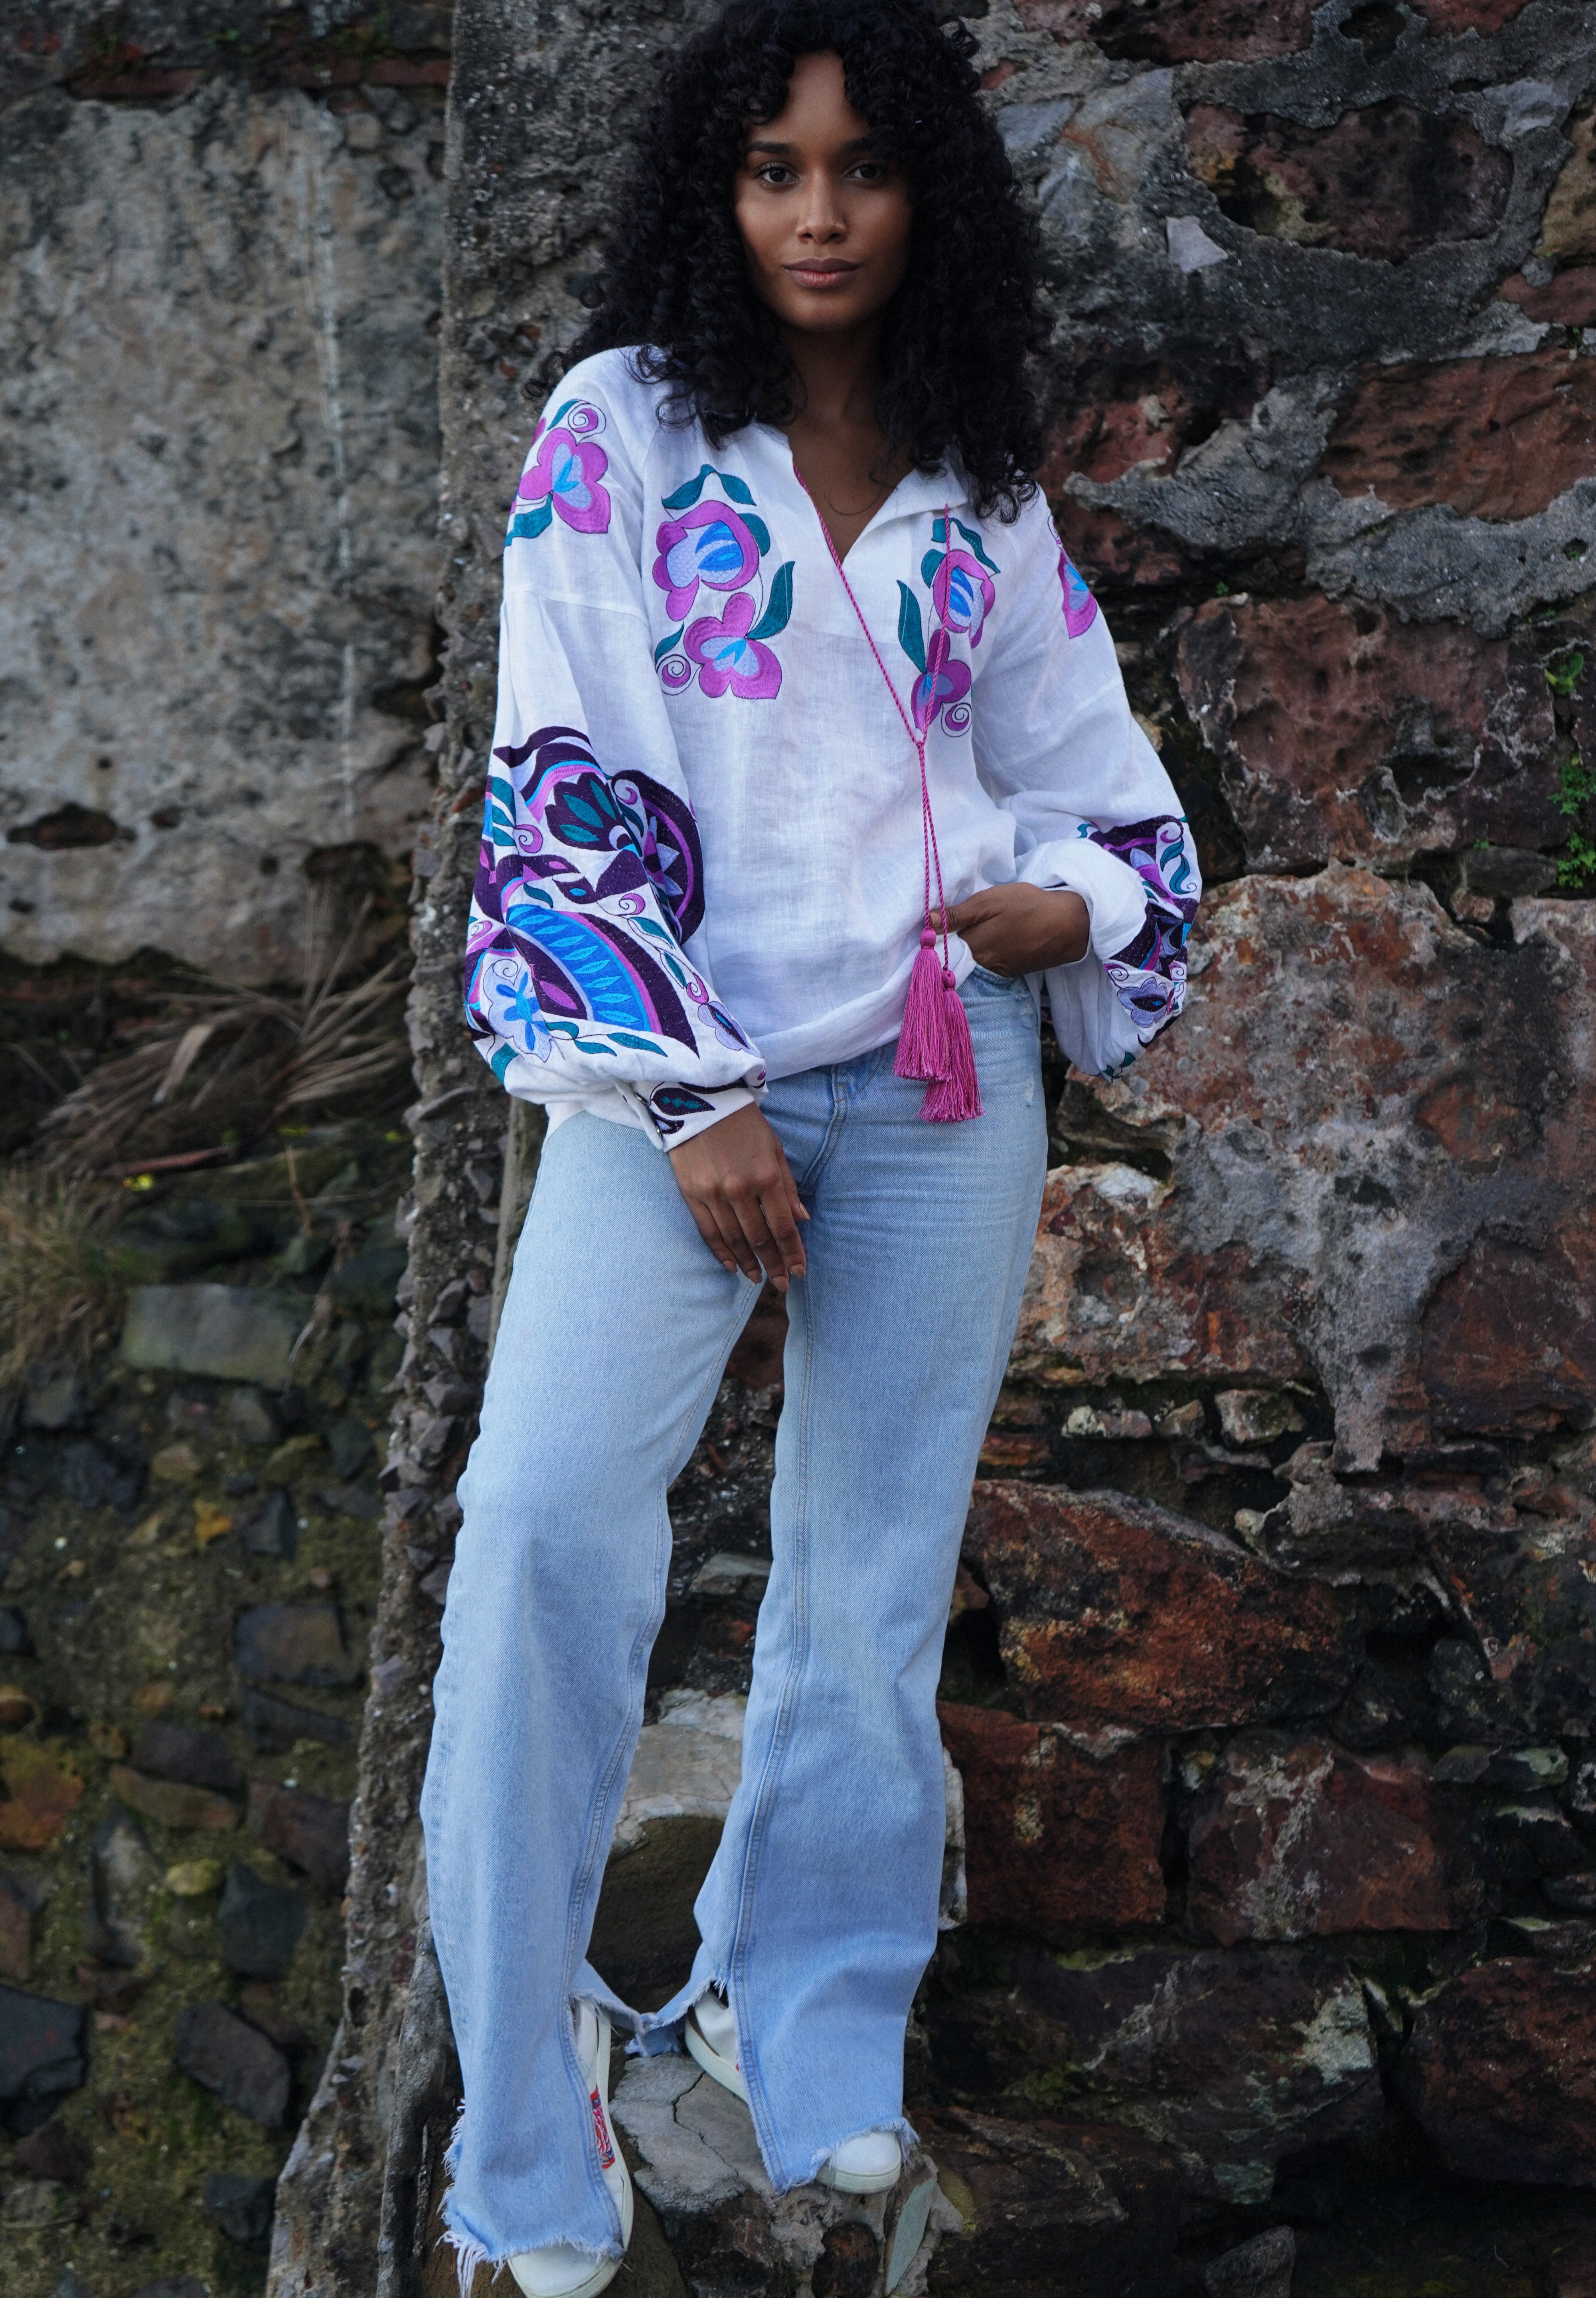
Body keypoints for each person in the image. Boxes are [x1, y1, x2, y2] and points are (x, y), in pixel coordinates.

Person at [420, 0, 1199, 2288]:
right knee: (544, 1532)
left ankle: (813, 2021)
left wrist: (1084, 904)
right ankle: (523, 2098)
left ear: (921, 192)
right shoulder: (624, 435)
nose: (823, 213)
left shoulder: (980, 459)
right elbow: (562, 784)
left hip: (950, 1077)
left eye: (861, 170)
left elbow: (1102, 780)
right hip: (682, 1092)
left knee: (870, 1579)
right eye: (776, 169)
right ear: (719, 191)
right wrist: (696, 1095)